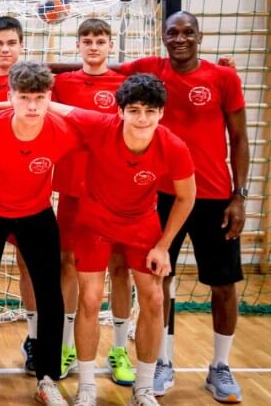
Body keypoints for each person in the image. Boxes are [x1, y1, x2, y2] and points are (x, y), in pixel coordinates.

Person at [118, 11, 249, 403]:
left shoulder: (223, 77)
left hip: (215, 198)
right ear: (163, 37)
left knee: (223, 285)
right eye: (172, 32)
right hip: (160, 197)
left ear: (199, 36)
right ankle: (162, 362)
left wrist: (239, 196)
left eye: (188, 32)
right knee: (159, 281)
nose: (180, 38)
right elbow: (95, 68)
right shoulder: (149, 69)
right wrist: (24, 66)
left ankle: (220, 367)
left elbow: (240, 138)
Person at [45, 73, 196, 406]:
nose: (142, 119)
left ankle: (143, 389)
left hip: (141, 224)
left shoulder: (173, 145)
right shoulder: (99, 125)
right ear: (120, 111)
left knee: (154, 298)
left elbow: (187, 197)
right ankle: (86, 387)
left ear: (161, 113)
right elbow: (48, 104)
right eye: (134, 110)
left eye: (150, 111)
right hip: (94, 222)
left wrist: (163, 246)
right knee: (90, 299)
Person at [0, 61, 76, 406]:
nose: (32, 106)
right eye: (24, 97)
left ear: (49, 97)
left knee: (50, 295)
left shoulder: (63, 130)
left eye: (39, 98)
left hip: (36, 214)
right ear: (10, 96)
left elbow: (106, 122)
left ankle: (47, 378)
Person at [50, 18, 135, 383]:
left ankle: (119, 350)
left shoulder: (125, 83)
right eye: (87, 40)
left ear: (110, 45)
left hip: (116, 192)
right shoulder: (63, 83)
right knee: (67, 264)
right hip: (73, 190)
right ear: (78, 46)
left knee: (120, 268)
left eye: (100, 40)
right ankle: (66, 347)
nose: (94, 46)